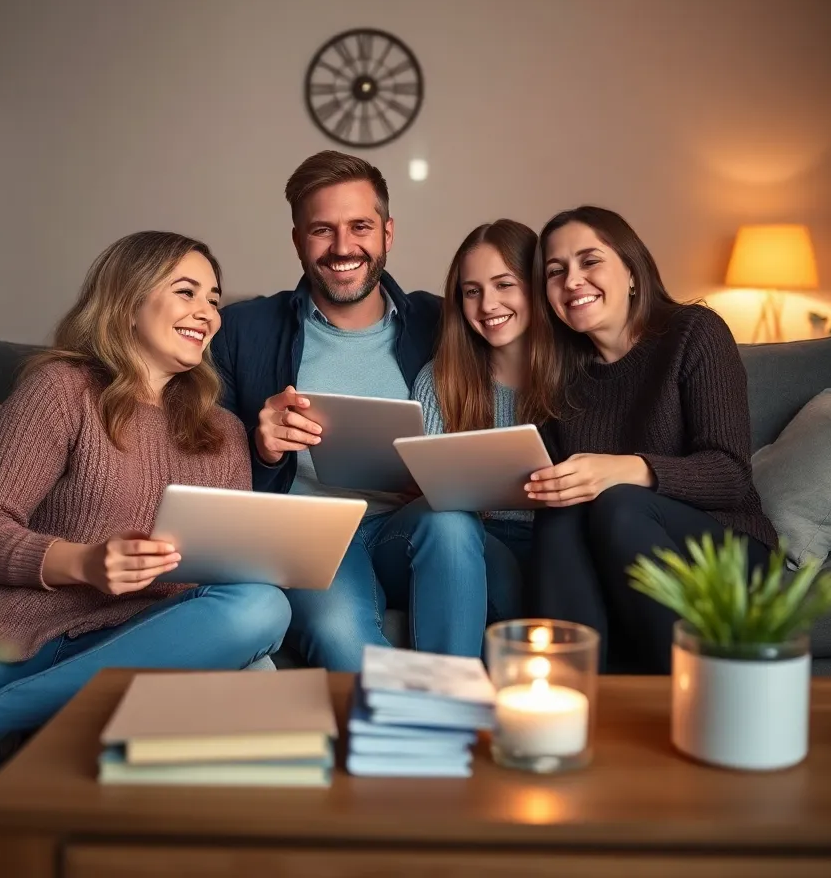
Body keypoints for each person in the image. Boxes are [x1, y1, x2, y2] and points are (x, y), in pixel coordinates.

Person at [0, 231, 291, 787]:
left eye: (214, 300)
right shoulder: (60, 389)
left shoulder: (222, 432)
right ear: (128, 301)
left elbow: (218, 581)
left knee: (263, 607)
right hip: (1, 628)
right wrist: (85, 563)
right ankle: (17, 730)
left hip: (131, 644)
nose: (208, 314)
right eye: (187, 292)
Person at [214, 150, 493, 668]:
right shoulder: (241, 331)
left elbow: (517, 379)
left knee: (452, 523)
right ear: (297, 239)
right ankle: (415, 733)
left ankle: (455, 707)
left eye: (359, 226)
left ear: (387, 233)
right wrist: (261, 449)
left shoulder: (442, 323)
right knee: (339, 629)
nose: (343, 247)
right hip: (308, 533)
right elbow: (202, 470)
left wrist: (444, 475)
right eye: (322, 230)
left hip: (404, 529)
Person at [521, 206, 777, 674]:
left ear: (633, 273)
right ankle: (570, 694)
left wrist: (626, 469)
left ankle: (687, 690)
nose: (572, 280)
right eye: (556, 272)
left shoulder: (694, 333)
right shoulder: (560, 377)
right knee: (559, 518)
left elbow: (730, 476)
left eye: (589, 261)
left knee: (619, 501)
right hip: (617, 545)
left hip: (727, 547)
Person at [411, 219, 539, 624]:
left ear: (536, 285)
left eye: (505, 284)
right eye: (472, 291)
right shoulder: (439, 379)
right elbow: (428, 489)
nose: (487, 305)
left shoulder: (577, 378)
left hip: (557, 539)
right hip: (474, 539)